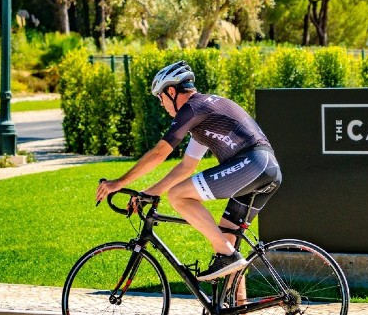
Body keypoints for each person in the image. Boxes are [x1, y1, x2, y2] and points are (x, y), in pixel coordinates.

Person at [95, 60, 282, 283]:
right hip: (266, 169)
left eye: (160, 97)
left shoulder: (193, 108)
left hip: (253, 164)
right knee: (227, 242)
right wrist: (148, 192)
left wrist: (117, 183)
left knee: (178, 195)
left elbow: (159, 153)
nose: (161, 104)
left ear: (172, 91)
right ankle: (236, 313)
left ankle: (228, 255)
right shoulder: (204, 115)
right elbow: (187, 166)